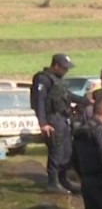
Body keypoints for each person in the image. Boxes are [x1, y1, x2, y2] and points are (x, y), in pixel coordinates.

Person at [31, 53, 79, 194]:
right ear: (56, 66)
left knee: (67, 152)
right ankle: (53, 182)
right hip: (52, 120)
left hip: (63, 119)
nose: (66, 71)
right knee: (56, 151)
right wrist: (43, 123)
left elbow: (68, 96)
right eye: (65, 68)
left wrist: (87, 100)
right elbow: (39, 101)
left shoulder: (59, 81)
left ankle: (63, 179)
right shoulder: (43, 79)